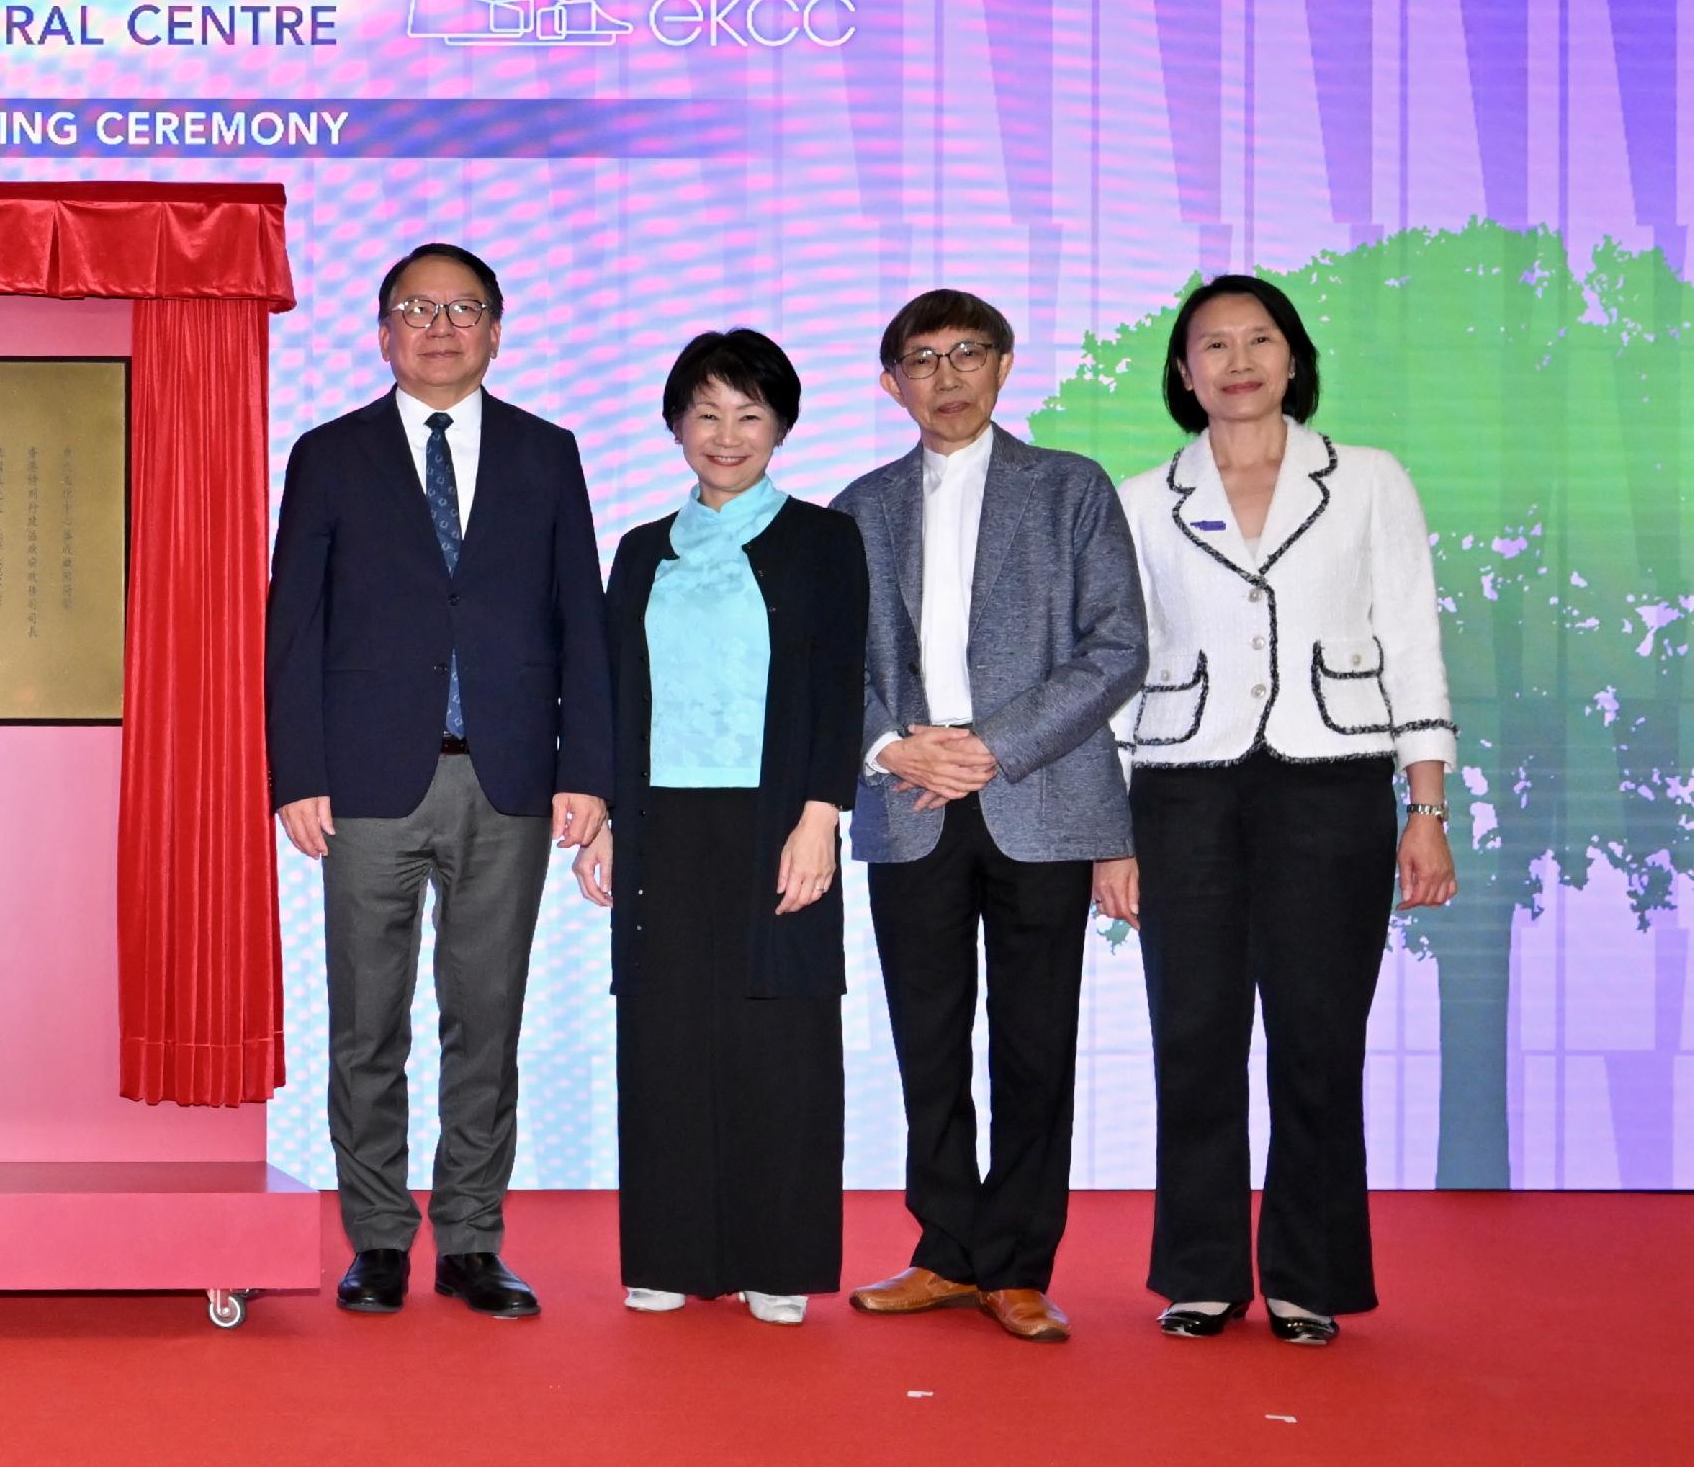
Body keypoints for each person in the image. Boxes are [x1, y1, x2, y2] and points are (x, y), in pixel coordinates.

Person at [1092, 275, 1456, 1348]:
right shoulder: (1137, 498)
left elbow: (1411, 637)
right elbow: (1121, 665)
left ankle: (1310, 1274)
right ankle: (1200, 1270)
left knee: (1316, 1039)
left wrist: (1424, 800)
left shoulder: (1370, 481)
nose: (1238, 360)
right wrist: (1109, 832)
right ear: (1182, 369)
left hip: (1330, 778)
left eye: (1260, 340)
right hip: (1181, 784)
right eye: (1213, 344)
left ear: (1293, 358)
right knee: (1192, 1035)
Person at [267, 242, 615, 1320]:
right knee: (367, 1022)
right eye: (416, 307)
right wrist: (298, 771)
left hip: (506, 779)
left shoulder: (546, 452)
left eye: (463, 308)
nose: (440, 325)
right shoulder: (329, 454)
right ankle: (375, 1235)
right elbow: (293, 625)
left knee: (484, 1018)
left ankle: (470, 1236)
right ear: (382, 332)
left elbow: (581, 621)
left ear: (497, 331)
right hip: (366, 783)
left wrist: (587, 769)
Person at [837, 288, 1144, 1344]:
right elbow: (826, 667)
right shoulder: (856, 505)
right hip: (908, 796)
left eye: (968, 352)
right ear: (892, 384)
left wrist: (992, 744)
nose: (948, 374)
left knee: (1032, 1042)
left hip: (1039, 792)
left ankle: (1017, 1262)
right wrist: (892, 745)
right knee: (927, 1039)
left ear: (1004, 365)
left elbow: (1116, 646)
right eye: (922, 359)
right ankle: (944, 1249)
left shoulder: (1070, 488)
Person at [575, 329, 865, 1327]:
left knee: (778, 1031)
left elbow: (839, 687)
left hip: (775, 815)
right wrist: (606, 815)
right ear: (673, 425)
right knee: (660, 1032)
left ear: (781, 424)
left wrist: (821, 813)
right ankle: (667, 1250)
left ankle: (773, 1255)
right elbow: (610, 694)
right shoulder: (640, 548)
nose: (725, 434)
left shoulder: (825, 540)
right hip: (660, 819)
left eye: (748, 413)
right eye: (705, 413)